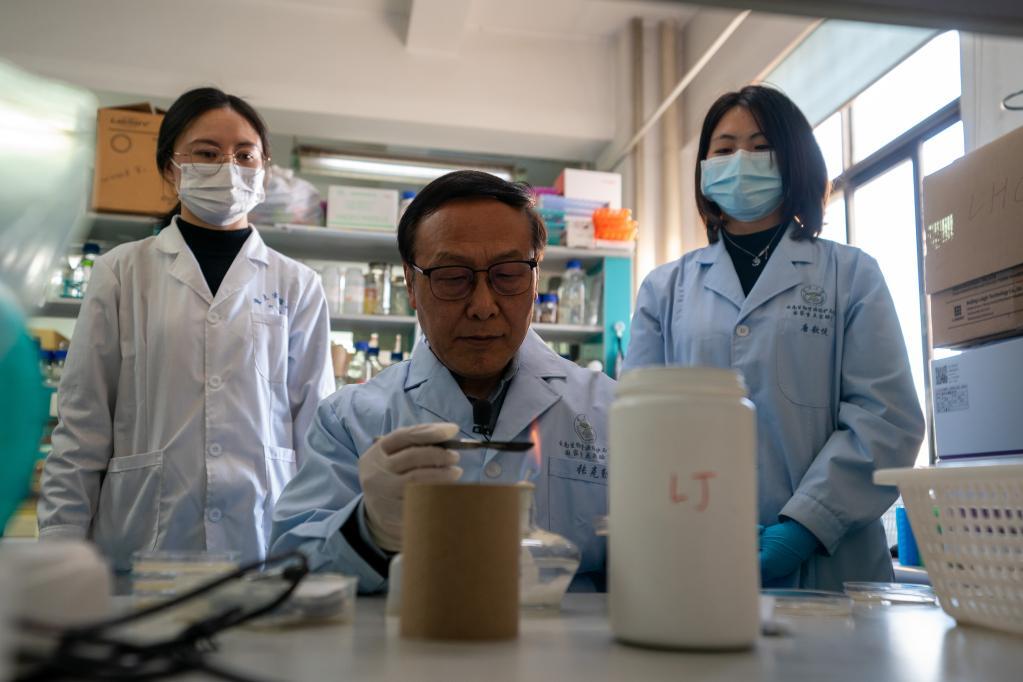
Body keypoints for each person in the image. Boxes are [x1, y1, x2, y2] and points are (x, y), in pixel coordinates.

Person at [624, 85, 924, 591]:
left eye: (761, 146)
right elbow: (642, 428)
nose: (741, 160)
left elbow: (886, 418)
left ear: (795, 159)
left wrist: (808, 524)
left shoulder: (851, 274)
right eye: (724, 149)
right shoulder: (665, 289)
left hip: (831, 566)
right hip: (700, 554)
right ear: (704, 169)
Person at [271, 171, 613, 593]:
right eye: (452, 277)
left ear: (535, 279)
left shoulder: (609, 411)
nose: (483, 306)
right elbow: (288, 569)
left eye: (508, 274)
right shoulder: (348, 419)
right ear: (411, 285)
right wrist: (366, 530)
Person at [37, 87, 334, 567]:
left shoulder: (297, 284)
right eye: (207, 153)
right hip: (143, 534)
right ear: (169, 167)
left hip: (263, 535)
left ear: (263, 167)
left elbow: (315, 429)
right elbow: (83, 422)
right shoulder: (121, 272)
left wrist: (318, 545)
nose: (228, 168)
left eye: (245, 155)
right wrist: (59, 546)